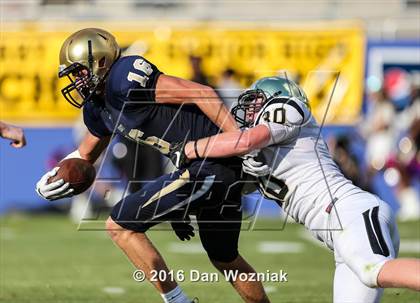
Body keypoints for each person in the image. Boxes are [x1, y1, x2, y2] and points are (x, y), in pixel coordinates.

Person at [34, 28, 270, 303]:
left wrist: (241, 141)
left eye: (79, 71)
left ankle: (178, 302)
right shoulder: (98, 108)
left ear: (100, 62)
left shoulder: (125, 78)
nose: (76, 80)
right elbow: (84, 156)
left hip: (211, 164)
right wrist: (51, 178)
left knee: (120, 225)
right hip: (202, 168)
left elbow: (200, 92)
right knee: (224, 257)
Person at [176, 76, 420, 302]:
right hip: (342, 235)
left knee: (372, 270)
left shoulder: (290, 108)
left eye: (256, 101)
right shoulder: (259, 151)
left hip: (351, 212)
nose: (248, 110)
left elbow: (247, 140)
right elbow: (224, 182)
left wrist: (190, 148)